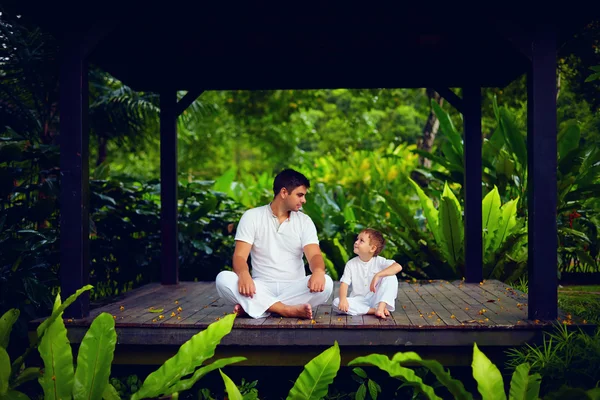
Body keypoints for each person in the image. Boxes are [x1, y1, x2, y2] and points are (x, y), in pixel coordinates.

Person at [215, 168, 333, 319]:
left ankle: (257, 307)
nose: (304, 200)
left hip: (295, 288)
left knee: (327, 284)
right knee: (223, 279)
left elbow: (314, 254)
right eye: (300, 195)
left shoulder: (305, 221)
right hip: (259, 288)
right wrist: (244, 275)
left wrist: (318, 271)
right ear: (284, 193)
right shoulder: (252, 217)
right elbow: (239, 256)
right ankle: (285, 310)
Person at [333, 228, 402, 319]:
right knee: (336, 303)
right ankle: (374, 310)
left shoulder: (380, 261)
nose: (356, 242)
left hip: (376, 299)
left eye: (361, 241)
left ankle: (381, 307)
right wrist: (343, 300)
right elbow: (344, 284)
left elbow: (398, 267)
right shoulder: (351, 264)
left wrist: (378, 275)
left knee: (391, 277)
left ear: (372, 248)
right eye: (357, 239)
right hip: (358, 300)